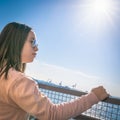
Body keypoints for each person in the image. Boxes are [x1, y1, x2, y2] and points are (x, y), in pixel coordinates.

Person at [0, 22, 109, 120]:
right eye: (32, 42)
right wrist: (94, 96)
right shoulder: (19, 81)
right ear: (16, 42)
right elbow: (52, 114)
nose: (36, 48)